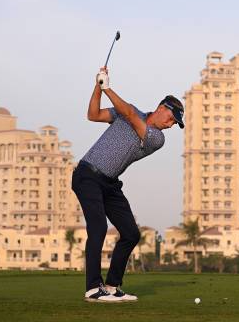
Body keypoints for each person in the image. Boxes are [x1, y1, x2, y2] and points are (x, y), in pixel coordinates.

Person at [71, 66, 184, 303]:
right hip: (87, 175)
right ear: (162, 108)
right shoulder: (126, 113)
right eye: (172, 119)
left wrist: (108, 88)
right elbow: (93, 114)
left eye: (175, 123)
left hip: (110, 184)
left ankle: (111, 286)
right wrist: (98, 87)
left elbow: (132, 116)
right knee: (99, 228)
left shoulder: (156, 138)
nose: (172, 124)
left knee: (131, 234)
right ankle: (93, 288)